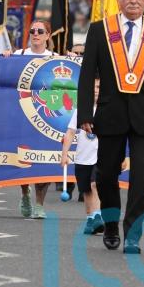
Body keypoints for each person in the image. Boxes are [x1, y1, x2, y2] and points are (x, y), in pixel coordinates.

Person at [77, 0, 144, 255]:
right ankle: (111, 223)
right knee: (107, 174)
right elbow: (87, 75)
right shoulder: (100, 30)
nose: (133, 0)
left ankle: (133, 233)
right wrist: (85, 112)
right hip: (110, 113)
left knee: (142, 176)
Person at [12, 19, 55, 219]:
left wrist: (75, 58)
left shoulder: (55, 57)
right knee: (24, 158)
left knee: (44, 159)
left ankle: (39, 204)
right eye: (32, 31)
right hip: (22, 113)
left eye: (40, 31)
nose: (35, 34)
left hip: (45, 115)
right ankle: (24, 192)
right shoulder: (18, 55)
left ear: (48, 35)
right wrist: (4, 58)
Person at [61, 78, 104, 235]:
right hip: (82, 157)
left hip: (100, 156)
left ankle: (98, 216)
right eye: (93, 87)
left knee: (95, 185)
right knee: (86, 190)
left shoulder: (106, 110)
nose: (96, 90)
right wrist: (64, 154)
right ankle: (90, 219)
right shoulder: (81, 110)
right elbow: (71, 132)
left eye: (99, 86)